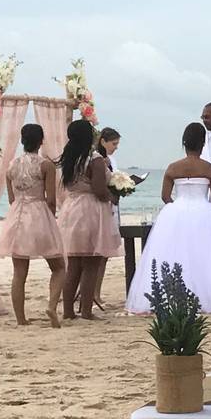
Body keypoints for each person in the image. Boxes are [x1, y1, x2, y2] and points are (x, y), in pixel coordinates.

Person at [126, 123, 211, 313]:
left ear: (184, 143)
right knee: (205, 256)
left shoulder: (173, 167)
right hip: (204, 210)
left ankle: (171, 294)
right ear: (202, 144)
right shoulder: (210, 169)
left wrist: (176, 206)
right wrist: (209, 212)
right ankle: (205, 294)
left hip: (176, 211)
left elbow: (165, 196)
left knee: (174, 253)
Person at [0, 124, 66, 328]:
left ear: (22, 140)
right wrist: (50, 220)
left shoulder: (12, 165)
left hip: (17, 216)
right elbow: (51, 199)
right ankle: (52, 306)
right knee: (58, 266)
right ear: (41, 141)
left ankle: (21, 318)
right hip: (39, 213)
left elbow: (11, 198)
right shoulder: (46, 165)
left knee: (19, 271)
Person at [57, 120, 122, 320]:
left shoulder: (68, 158)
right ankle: (86, 311)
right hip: (90, 210)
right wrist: (113, 196)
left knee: (74, 264)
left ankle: (68, 311)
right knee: (91, 263)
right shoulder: (93, 159)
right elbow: (100, 189)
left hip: (71, 208)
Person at [93, 127, 124, 309]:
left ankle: (97, 291)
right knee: (98, 255)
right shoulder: (98, 158)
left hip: (111, 208)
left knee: (105, 255)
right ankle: (93, 292)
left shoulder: (111, 159)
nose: (116, 147)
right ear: (103, 141)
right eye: (114, 143)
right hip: (101, 209)